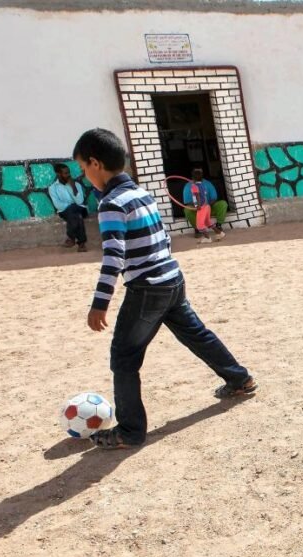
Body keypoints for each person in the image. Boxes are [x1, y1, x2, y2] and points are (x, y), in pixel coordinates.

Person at [74, 128, 256, 450]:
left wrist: (99, 303)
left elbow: (113, 257)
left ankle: (129, 432)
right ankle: (239, 378)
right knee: (197, 334)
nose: (85, 176)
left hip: (147, 289)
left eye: (83, 169)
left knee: (124, 357)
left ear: (95, 163)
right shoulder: (142, 194)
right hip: (172, 279)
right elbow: (163, 238)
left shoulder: (111, 203)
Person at [48, 163, 88, 252]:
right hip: (64, 211)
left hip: (80, 208)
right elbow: (57, 204)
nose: (68, 175)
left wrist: (73, 187)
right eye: (65, 173)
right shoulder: (53, 188)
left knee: (75, 211)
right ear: (58, 174)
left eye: (68, 172)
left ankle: (71, 238)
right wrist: (71, 205)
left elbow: (79, 201)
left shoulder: (76, 184)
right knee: (77, 216)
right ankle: (81, 244)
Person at [183, 168, 227, 243]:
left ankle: (207, 238)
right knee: (208, 222)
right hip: (207, 206)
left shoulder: (194, 186)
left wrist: (198, 206)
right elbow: (203, 196)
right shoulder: (202, 185)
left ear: (193, 177)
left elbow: (197, 196)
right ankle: (220, 233)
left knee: (200, 225)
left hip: (201, 207)